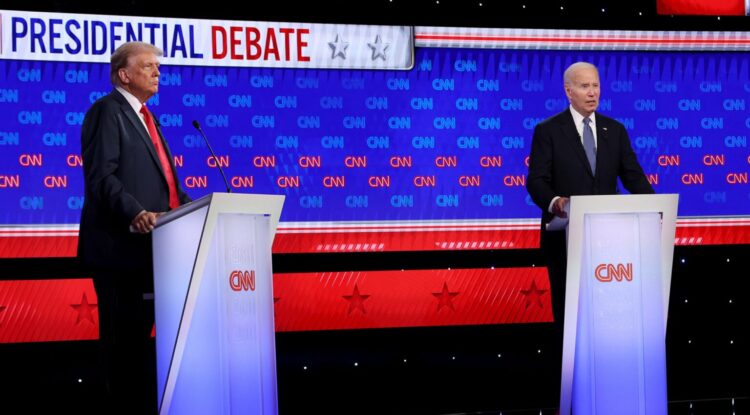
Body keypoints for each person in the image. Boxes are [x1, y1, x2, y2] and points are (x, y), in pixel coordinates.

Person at [526, 61, 654, 399]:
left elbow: (633, 176)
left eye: (596, 85)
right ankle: (571, 388)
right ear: (568, 91)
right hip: (565, 240)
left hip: (611, 245)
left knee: (607, 316)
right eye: (584, 86)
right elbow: (536, 181)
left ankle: (610, 380)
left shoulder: (615, 130)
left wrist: (655, 206)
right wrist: (556, 202)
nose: (592, 92)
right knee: (570, 317)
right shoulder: (548, 131)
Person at [77, 41, 191, 413]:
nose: (157, 72)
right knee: (121, 345)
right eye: (148, 66)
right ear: (124, 75)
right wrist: (135, 212)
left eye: (157, 66)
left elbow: (167, 186)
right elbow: (102, 177)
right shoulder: (107, 111)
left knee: (140, 345)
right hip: (119, 251)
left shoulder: (148, 117)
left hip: (153, 250)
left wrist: (200, 208)